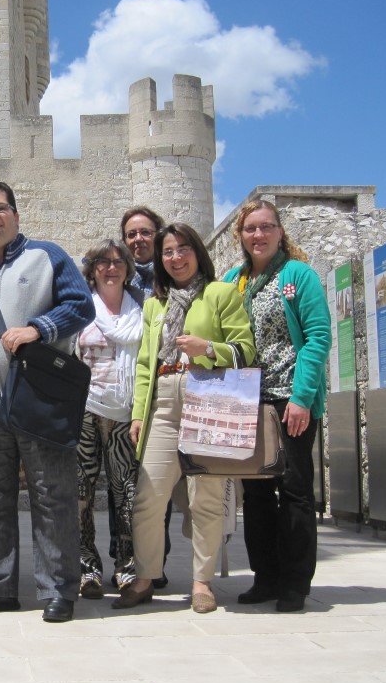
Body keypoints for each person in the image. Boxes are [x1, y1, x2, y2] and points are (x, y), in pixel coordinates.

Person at [0, 181, 95, 623]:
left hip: (38, 401)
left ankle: (58, 590)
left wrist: (39, 328)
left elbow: (81, 305)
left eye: (0, 208)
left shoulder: (47, 257)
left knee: (52, 496)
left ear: (15, 215)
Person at [119, 222, 254, 613]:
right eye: (168, 252)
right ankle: (145, 577)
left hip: (207, 396)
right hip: (163, 400)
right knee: (148, 497)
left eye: (183, 249)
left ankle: (201, 582)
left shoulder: (221, 293)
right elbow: (144, 364)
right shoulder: (154, 305)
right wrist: (139, 414)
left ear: (197, 251)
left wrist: (207, 348)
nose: (176, 258)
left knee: (205, 498)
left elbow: (245, 350)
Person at [222, 200, 331, 612]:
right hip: (248, 400)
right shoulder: (233, 281)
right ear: (241, 235)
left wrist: (302, 397)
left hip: (290, 399)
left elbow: (318, 337)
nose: (259, 235)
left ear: (280, 232)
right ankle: (265, 578)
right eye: (251, 228)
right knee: (256, 494)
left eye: (267, 226)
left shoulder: (297, 275)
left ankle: (295, 583)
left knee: (295, 490)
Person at [75, 240, 144, 600]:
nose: (111, 268)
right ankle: (87, 568)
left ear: (128, 269)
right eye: (103, 262)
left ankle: (127, 568)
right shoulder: (81, 307)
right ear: (93, 269)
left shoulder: (141, 309)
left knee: (127, 495)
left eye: (118, 262)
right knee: (81, 493)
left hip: (125, 413)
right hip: (85, 411)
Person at [121, 205, 179, 590]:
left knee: (158, 485)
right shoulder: (115, 276)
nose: (138, 239)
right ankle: (126, 562)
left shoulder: (171, 279)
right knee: (124, 484)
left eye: (145, 232)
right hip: (122, 393)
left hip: (161, 394)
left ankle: (155, 564)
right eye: (131, 234)